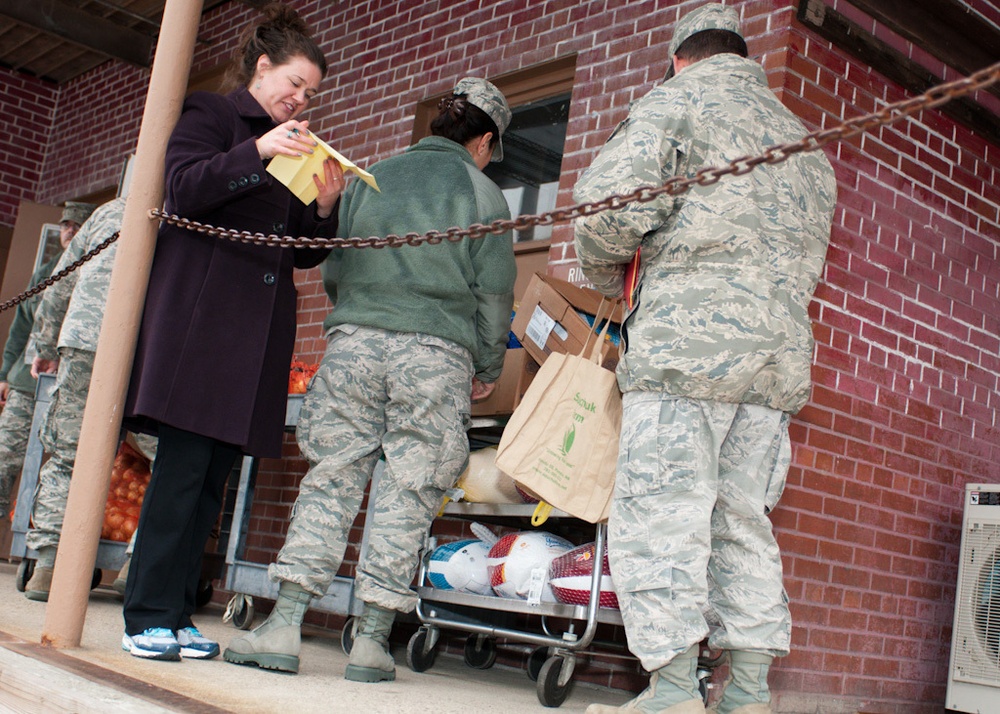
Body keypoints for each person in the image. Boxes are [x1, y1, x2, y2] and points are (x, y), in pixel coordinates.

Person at [572, 5, 837, 714]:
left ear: (678, 58)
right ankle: (747, 693)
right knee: (741, 518)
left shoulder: (676, 101)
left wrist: (614, 287)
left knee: (664, 511)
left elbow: (606, 212)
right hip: (774, 363)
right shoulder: (805, 141)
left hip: (688, 346)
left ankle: (671, 692)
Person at [224, 77, 516, 682]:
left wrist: (358, 314)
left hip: (354, 344)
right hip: (436, 356)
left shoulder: (368, 175)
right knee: (408, 492)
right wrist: (486, 365)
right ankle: (372, 642)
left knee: (331, 479)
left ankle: (284, 625)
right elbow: (493, 293)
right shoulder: (483, 194)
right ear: (484, 140)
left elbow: (337, 266)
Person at [120, 2, 342, 662]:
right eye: (294, 84)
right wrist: (257, 150)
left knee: (213, 481)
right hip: (203, 328)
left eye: (310, 94)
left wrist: (324, 208)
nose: (300, 100)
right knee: (181, 475)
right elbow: (184, 189)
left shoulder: (294, 142)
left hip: (255, 336)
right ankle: (146, 614)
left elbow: (301, 251)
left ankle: (181, 611)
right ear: (262, 67)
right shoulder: (213, 116)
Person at [27, 195, 152, 601]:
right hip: (148, 347)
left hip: (83, 338)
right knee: (164, 456)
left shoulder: (109, 210)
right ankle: (136, 563)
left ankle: (46, 564)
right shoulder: (194, 203)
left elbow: (59, 283)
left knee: (68, 453)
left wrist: (44, 346)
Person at [0, 202, 95, 542]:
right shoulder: (46, 271)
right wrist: (5, 372)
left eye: (77, 225)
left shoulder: (94, 267)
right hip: (28, 378)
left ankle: (46, 543)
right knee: (5, 454)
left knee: (59, 459)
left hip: (72, 378)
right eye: (65, 225)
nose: (69, 231)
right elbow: (22, 324)